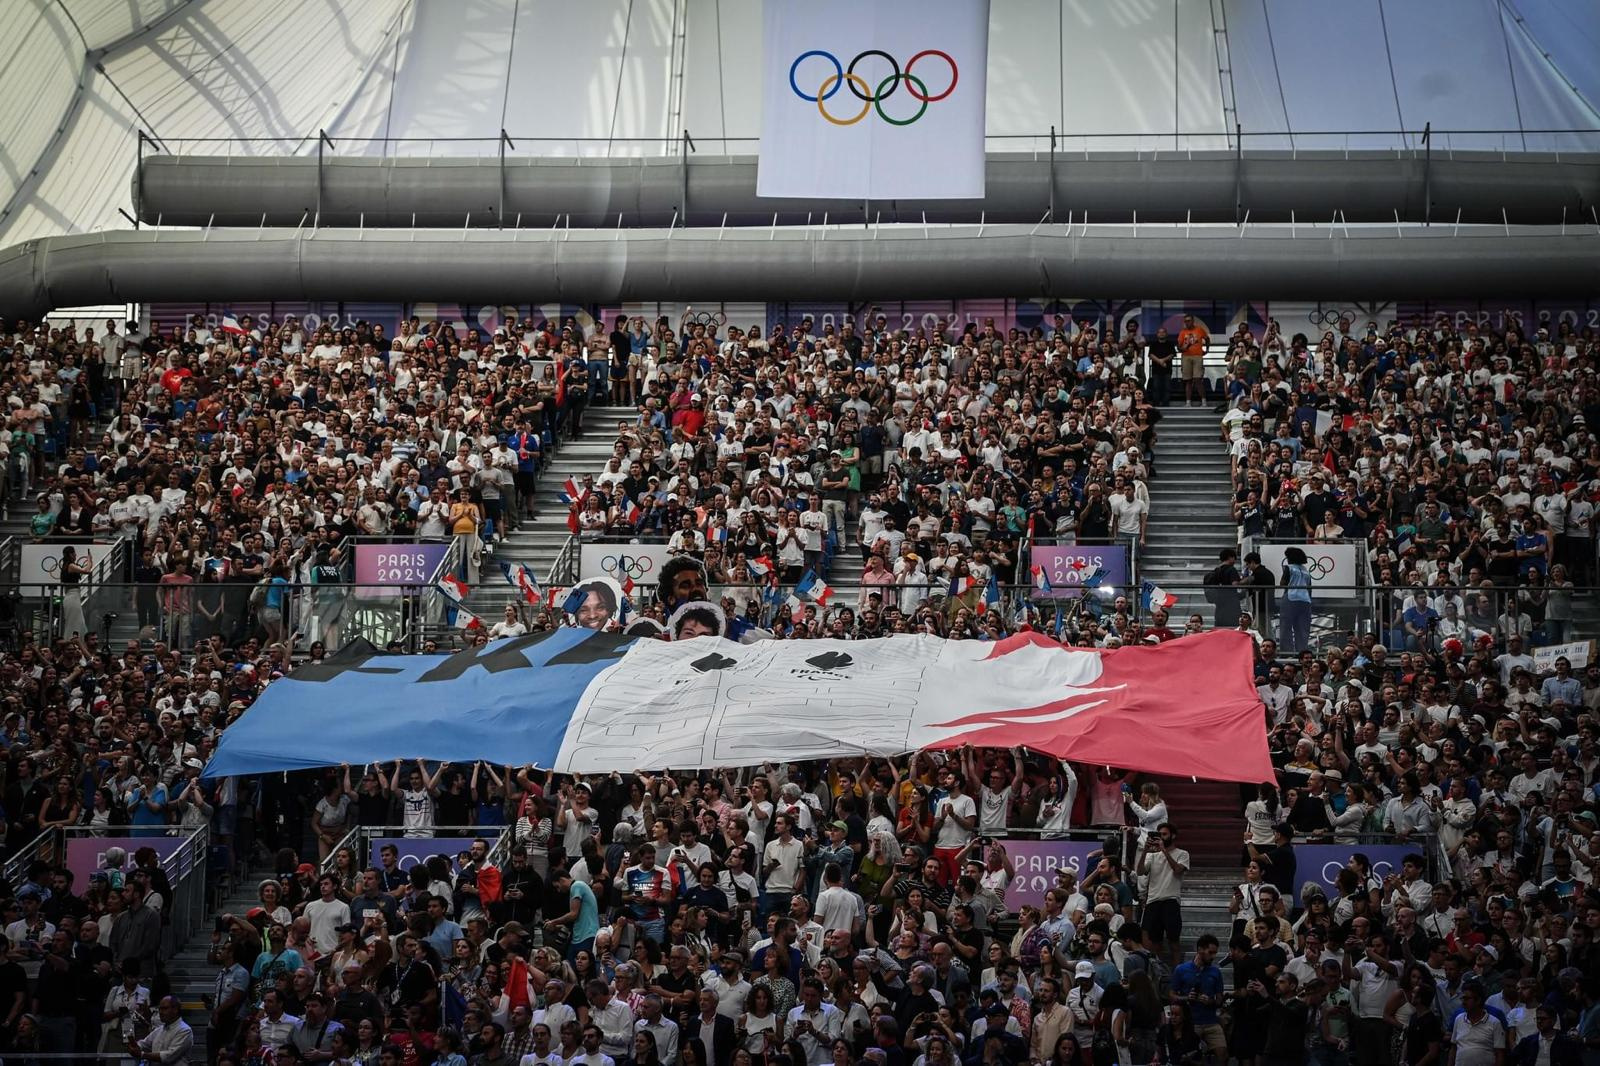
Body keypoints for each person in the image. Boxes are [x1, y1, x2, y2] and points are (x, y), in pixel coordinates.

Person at [1278, 547, 1313, 653]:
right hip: (1305, 600)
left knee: (1286, 627)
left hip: (1291, 598)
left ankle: (1286, 652)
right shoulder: (1306, 571)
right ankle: (1302, 652)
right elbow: (1309, 588)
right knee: (1302, 629)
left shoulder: (1289, 568)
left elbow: (1282, 583)